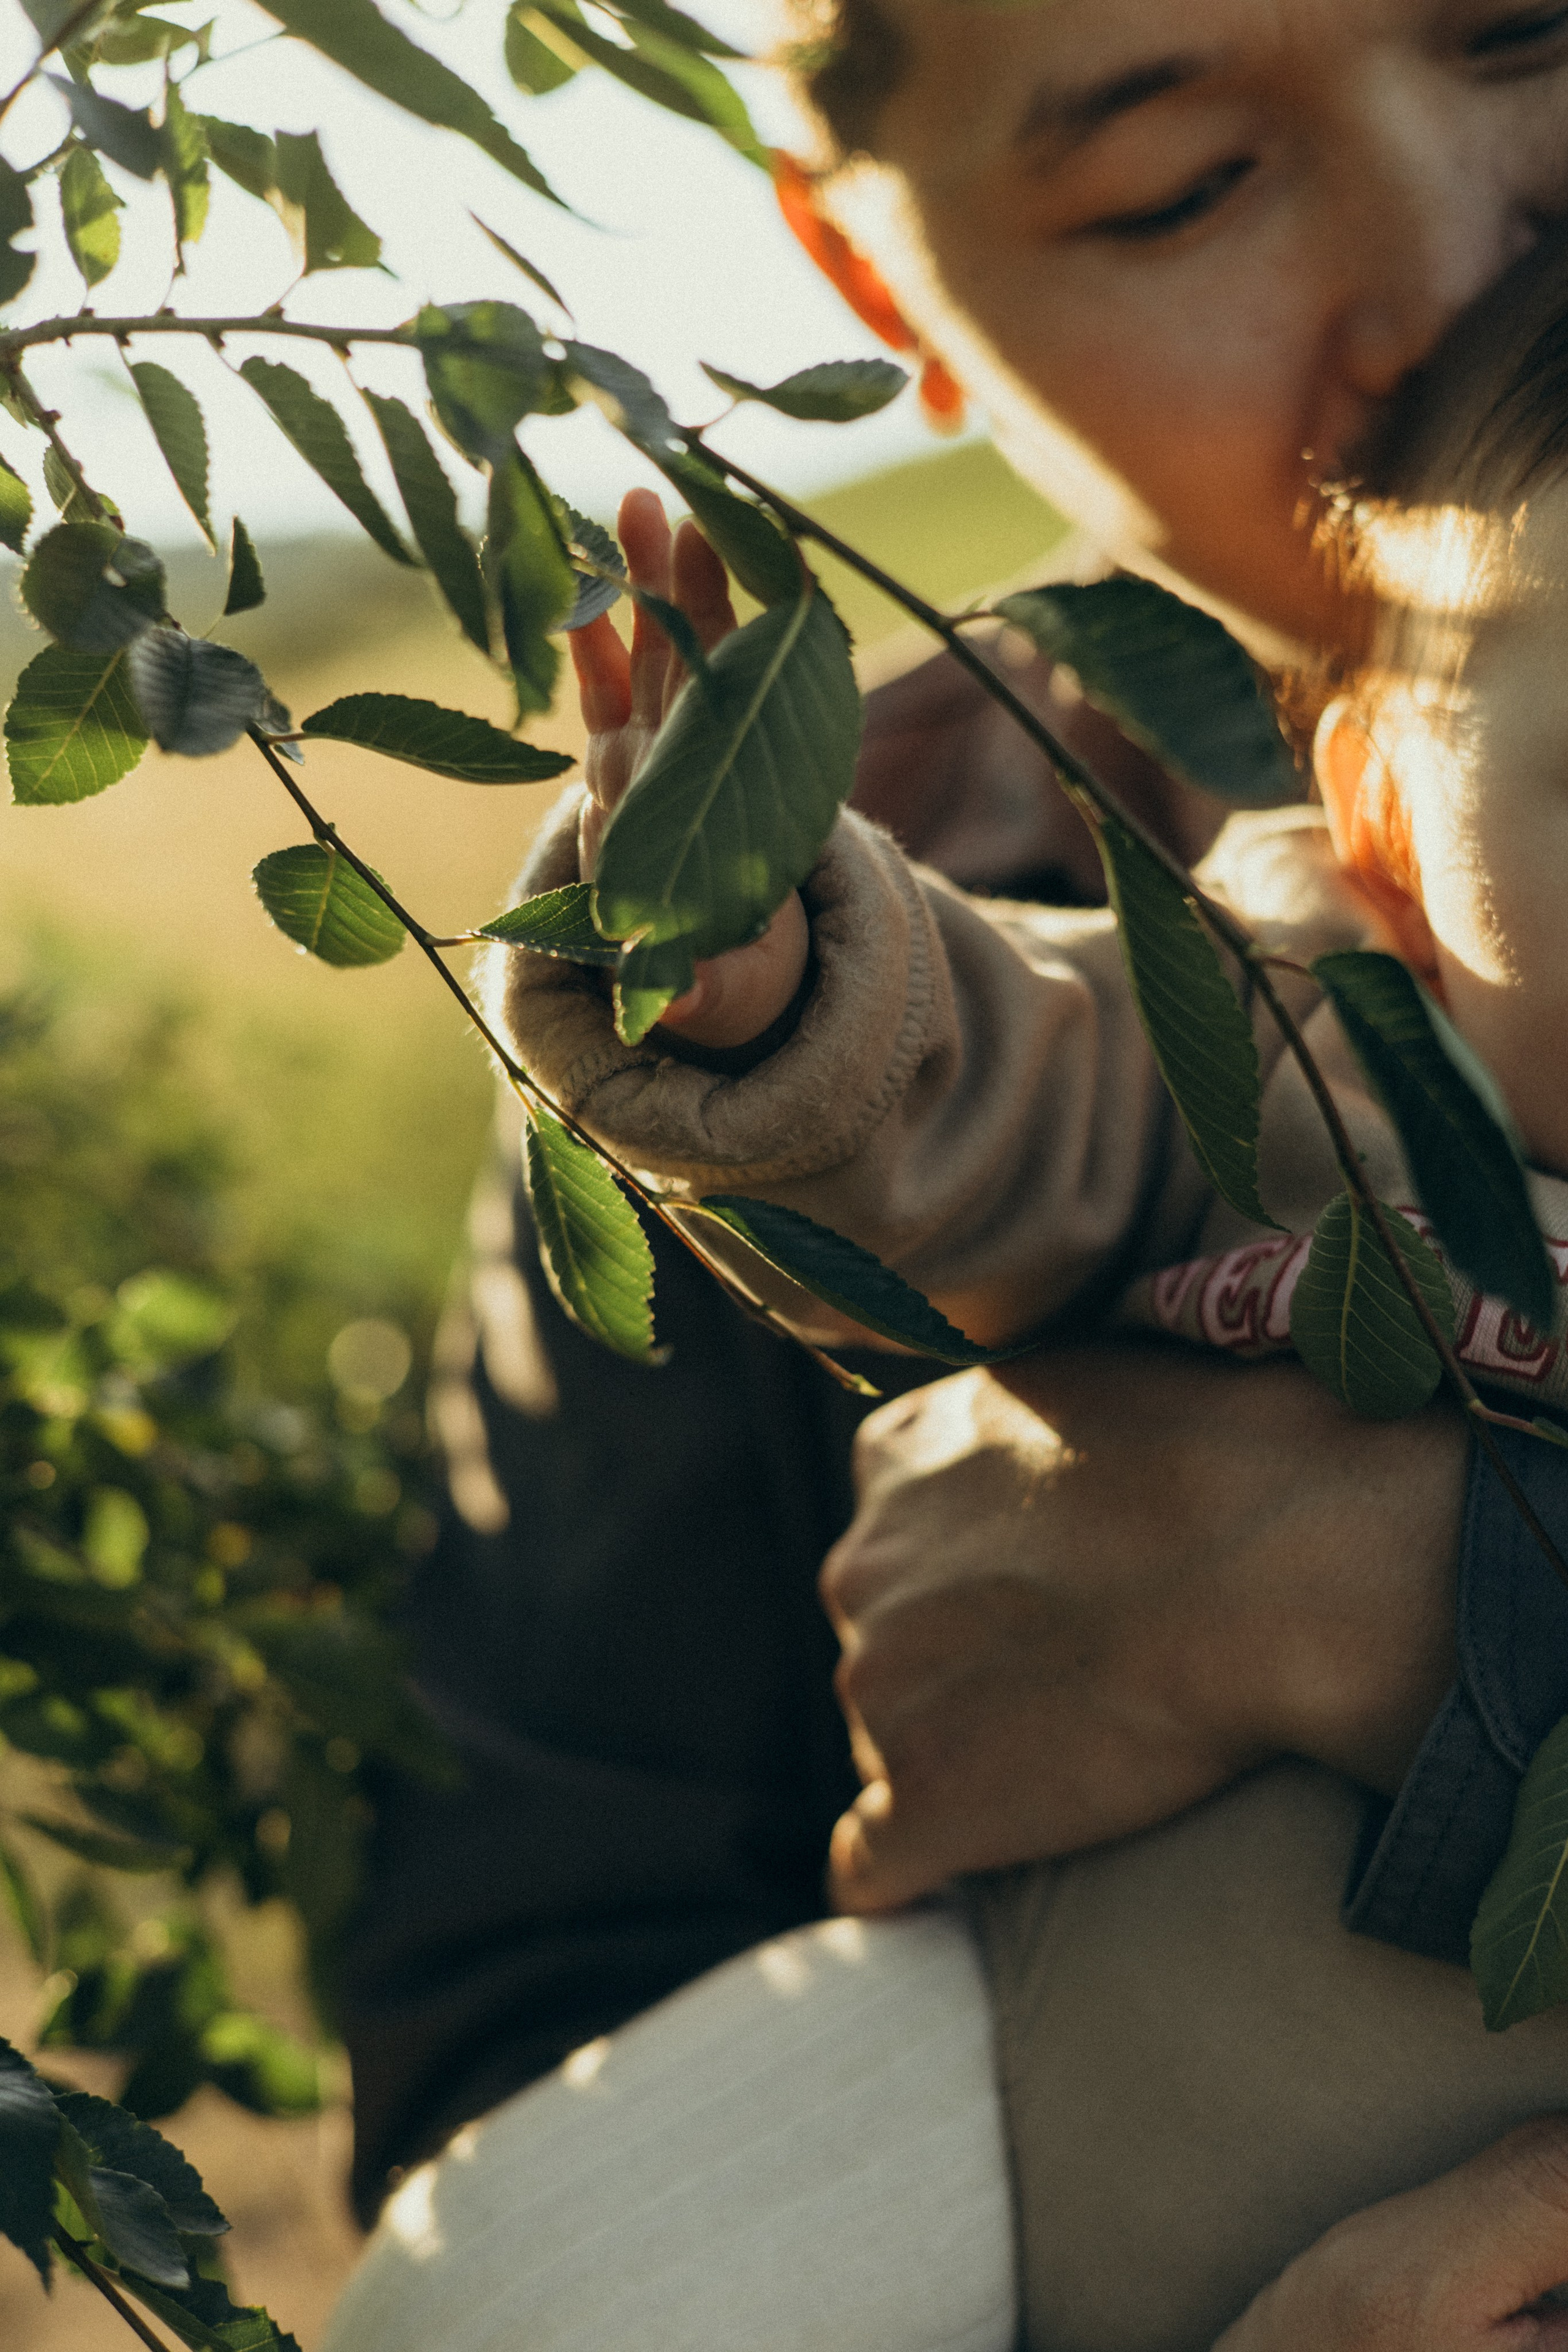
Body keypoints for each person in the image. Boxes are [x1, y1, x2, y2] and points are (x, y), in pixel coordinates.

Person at [331, 0, 1568, 2320]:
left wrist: (1425, 1603)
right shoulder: (1081, 947)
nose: (1460, 255)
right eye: (1180, 183)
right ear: (884, 288)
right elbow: (536, 2071)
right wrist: (800, 989)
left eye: (1537, 29)